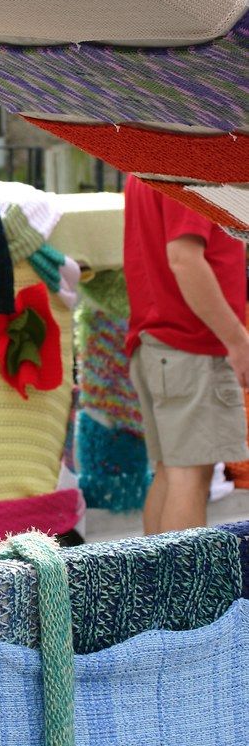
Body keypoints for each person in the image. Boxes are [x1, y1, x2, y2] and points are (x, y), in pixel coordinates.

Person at [123, 175, 249, 534]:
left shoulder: (140, 162)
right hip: (190, 344)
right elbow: (184, 259)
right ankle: (185, 590)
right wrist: (238, 342)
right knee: (190, 475)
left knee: (172, 470)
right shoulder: (184, 166)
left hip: (159, 342)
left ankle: (157, 587)